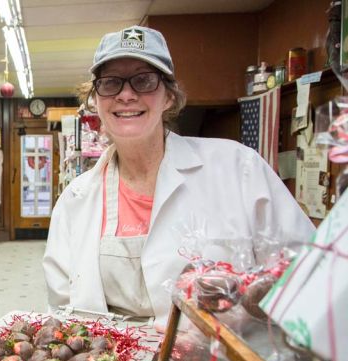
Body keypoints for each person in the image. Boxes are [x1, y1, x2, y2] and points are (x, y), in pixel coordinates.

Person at [43, 26, 314, 325]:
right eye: (110, 83)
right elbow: (63, 306)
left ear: (169, 96)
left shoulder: (238, 168)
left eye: (144, 80)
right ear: (96, 99)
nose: (126, 95)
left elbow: (307, 269)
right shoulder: (75, 200)